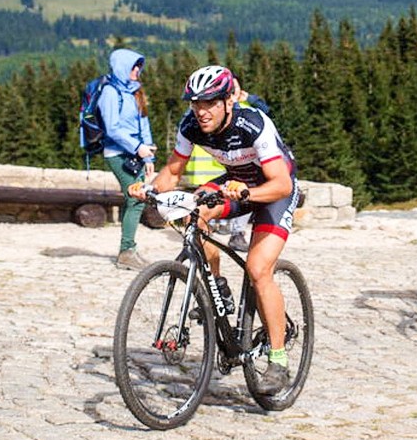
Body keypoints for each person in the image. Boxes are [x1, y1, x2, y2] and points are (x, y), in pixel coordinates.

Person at [129, 65, 300, 395]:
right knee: (194, 209)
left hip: (273, 189)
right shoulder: (191, 125)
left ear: (228, 101)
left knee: (258, 268)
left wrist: (248, 194)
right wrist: (148, 188)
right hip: (236, 183)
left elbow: (279, 184)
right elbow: (172, 172)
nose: (201, 111)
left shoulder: (253, 124)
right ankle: (217, 287)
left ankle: (278, 360)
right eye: (196, 103)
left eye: (209, 103)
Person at [99, 48, 157, 270]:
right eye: (133, 66)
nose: (137, 70)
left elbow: (144, 123)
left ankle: (129, 249)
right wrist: (138, 147)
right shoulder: (110, 93)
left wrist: (148, 155)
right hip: (118, 153)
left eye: (139, 66)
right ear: (122, 66)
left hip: (136, 152)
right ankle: (126, 252)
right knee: (135, 198)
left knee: (133, 198)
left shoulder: (134, 91)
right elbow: (112, 129)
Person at [226, 75, 272, 252]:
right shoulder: (214, 113)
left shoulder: (247, 112)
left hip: (246, 169)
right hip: (221, 167)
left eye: (235, 88)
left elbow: (267, 112)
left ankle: (237, 234)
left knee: (244, 194)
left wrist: (251, 99)